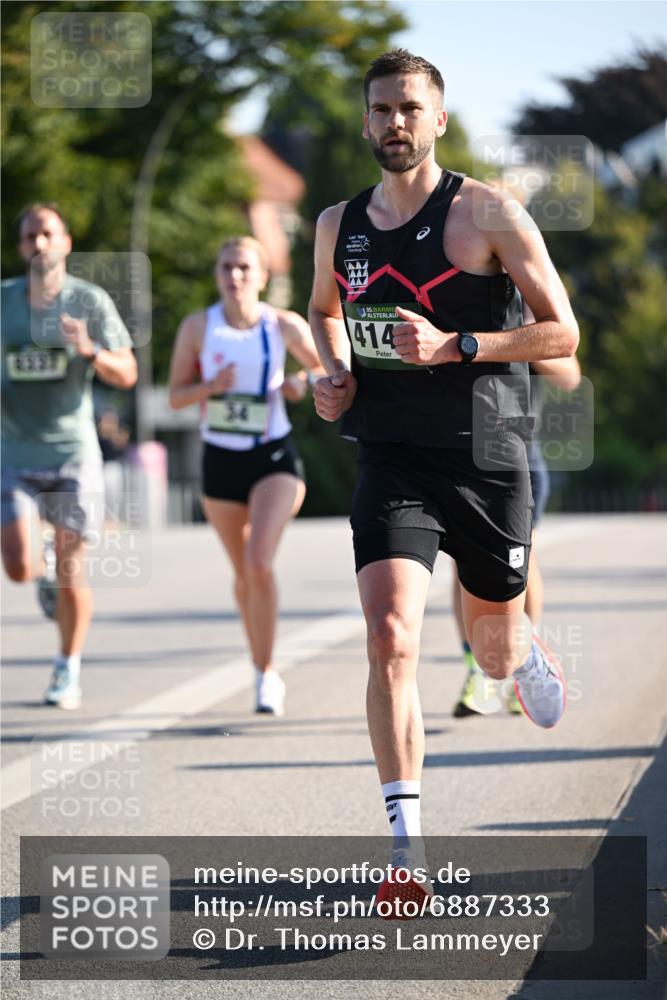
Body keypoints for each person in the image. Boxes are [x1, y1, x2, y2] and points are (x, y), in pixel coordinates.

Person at [309, 50, 579, 909]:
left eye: (409, 108)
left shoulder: (489, 212)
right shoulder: (336, 225)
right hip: (391, 453)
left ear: (438, 120)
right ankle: (406, 849)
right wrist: (333, 373)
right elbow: (323, 309)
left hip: (488, 453)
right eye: (379, 108)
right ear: (364, 120)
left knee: (490, 647)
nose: (393, 122)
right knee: (389, 635)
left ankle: (519, 647)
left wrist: (457, 345)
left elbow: (561, 333)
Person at [168, 236, 324, 716]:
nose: (234, 276)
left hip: (273, 455)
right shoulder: (199, 327)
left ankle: (268, 672)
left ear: (262, 277)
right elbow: (175, 396)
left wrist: (301, 382)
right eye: (226, 268)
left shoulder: (283, 324)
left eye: (243, 268)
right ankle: (259, 665)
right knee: (242, 575)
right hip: (220, 460)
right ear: (217, 275)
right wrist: (210, 387)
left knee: (258, 562)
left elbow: (325, 367)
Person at [1, 203, 137, 709]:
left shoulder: (88, 300)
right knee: (18, 566)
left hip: (72, 455)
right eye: (30, 236)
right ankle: (39, 577)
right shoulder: (4, 301)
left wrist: (89, 350)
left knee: (71, 569)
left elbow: (128, 373)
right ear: (21, 247)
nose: (39, 243)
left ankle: (67, 667)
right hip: (13, 451)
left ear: (66, 243)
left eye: (47, 234)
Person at [453, 355, 582, 717]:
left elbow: (570, 375)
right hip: (453, 452)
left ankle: (526, 660)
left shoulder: (521, 316)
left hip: (515, 451)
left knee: (523, 558)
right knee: (462, 561)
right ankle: (478, 672)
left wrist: (510, 342)